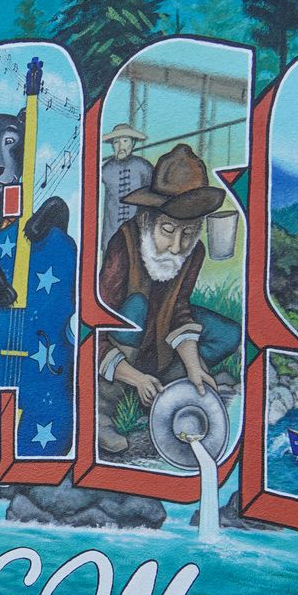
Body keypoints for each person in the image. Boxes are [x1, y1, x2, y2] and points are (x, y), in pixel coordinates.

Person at [97, 143, 237, 410]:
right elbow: (97, 323)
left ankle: (176, 376)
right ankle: (116, 394)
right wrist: (134, 376)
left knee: (229, 334)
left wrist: (194, 366)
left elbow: (180, 308)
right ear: (148, 221)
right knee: (136, 305)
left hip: (161, 333)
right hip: (125, 338)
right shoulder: (124, 242)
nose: (177, 246)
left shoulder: (194, 251)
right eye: (168, 230)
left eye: (187, 233)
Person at [99, 124, 152, 249]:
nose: (121, 146)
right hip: (111, 234)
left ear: (132, 143)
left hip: (138, 234)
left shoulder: (143, 167)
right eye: (116, 142)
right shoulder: (105, 170)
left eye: (125, 141)